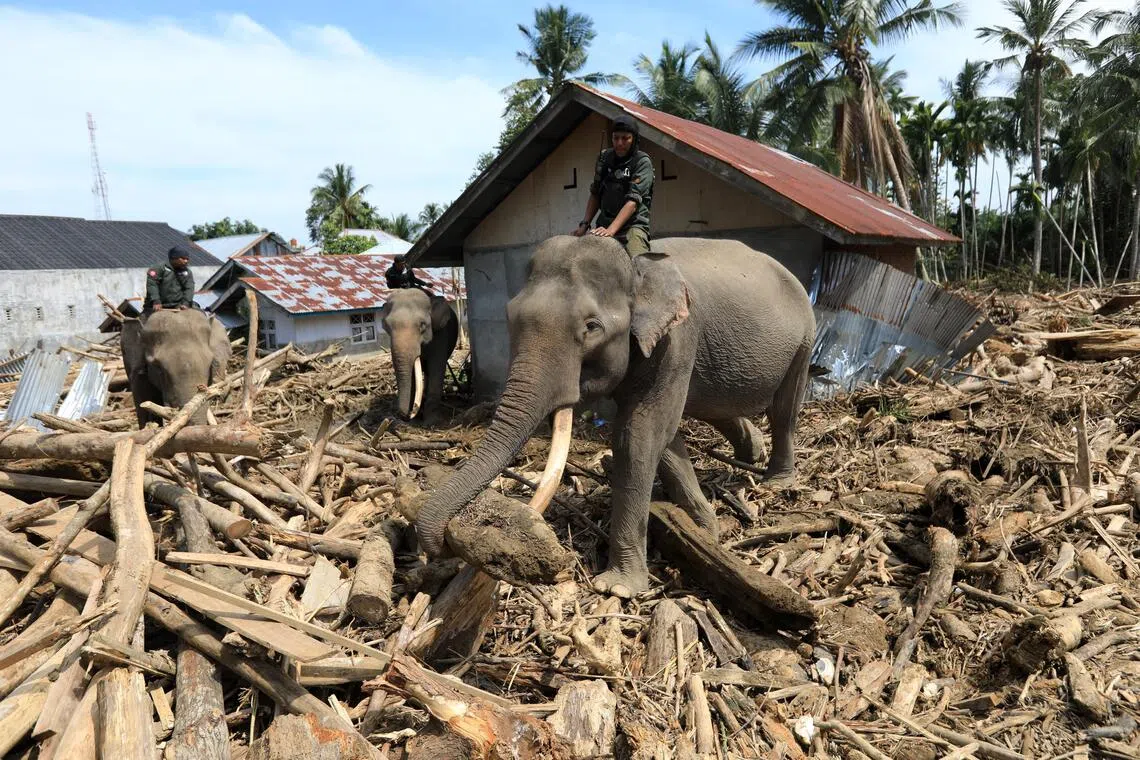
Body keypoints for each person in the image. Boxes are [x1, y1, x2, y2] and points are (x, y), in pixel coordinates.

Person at [572, 114, 654, 255]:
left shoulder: (642, 162)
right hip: (603, 224)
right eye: (616, 138)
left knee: (637, 264)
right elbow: (596, 193)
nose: (619, 143)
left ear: (634, 139)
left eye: (625, 138)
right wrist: (584, 225)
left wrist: (611, 230)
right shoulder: (604, 158)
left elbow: (632, 202)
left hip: (632, 226)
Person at [143, 245, 196, 314]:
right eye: (183, 258)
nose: (186, 261)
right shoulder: (159, 268)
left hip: (178, 305)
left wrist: (186, 302)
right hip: (157, 304)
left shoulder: (187, 272)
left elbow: (189, 288)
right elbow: (152, 284)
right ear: (174, 258)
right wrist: (156, 300)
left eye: (187, 259)